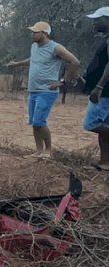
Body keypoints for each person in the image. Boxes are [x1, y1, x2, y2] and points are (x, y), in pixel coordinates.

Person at [6, 21, 80, 159]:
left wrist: (63, 81)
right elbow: (32, 59)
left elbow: (75, 62)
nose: (32, 34)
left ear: (45, 33)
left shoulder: (56, 48)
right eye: (32, 32)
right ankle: (38, 151)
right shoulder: (34, 46)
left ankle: (48, 151)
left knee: (40, 121)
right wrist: (16, 64)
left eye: (35, 32)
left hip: (47, 91)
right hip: (33, 90)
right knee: (34, 122)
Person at [83, 7, 109, 171]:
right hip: (105, 92)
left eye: (98, 19)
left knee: (91, 124)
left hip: (104, 92)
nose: (94, 22)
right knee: (104, 128)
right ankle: (105, 163)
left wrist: (98, 87)